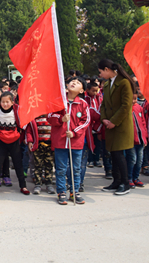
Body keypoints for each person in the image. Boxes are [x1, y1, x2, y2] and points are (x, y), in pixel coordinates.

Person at [48, 77, 91, 205]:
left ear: (82, 90)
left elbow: (86, 121)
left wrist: (74, 132)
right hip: (60, 142)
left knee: (75, 168)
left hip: (76, 142)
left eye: (78, 83)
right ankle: (61, 192)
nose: (74, 83)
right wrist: (61, 119)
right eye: (72, 81)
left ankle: (74, 191)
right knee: (60, 168)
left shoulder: (83, 104)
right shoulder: (59, 101)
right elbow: (50, 116)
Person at [98, 59, 135, 195]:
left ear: (107, 69)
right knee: (113, 154)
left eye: (101, 71)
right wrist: (104, 119)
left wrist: (113, 121)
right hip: (110, 125)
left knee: (119, 154)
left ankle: (125, 183)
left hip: (121, 125)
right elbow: (103, 105)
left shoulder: (124, 83)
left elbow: (126, 106)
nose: (100, 74)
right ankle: (116, 181)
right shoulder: (107, 85)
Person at [0, 91, 36, 196]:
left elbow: (25, 121)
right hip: (1, 138)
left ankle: (23, 186)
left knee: (17, 163)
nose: (5, 104)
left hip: (14, 139)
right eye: (3, 102)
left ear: (12, 102)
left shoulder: (17, 110)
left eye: (7, 102)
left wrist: (21, 133)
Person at [128, 94, 147, 188]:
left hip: (140, 139)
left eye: (135, 99)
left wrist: (145, 136)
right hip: (131, 139)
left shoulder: (139, 107)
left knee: (139, 160)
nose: (134, 101)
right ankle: (129, 178)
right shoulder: (126, 109)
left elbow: (143, 122)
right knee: (132, 160)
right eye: (132, 99)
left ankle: (136, 177)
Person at [33, 114, 55, 194]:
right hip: (38, 145)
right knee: (38, 166)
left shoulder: (52, 116)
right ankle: (38, 184)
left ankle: (49, 184)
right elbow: (30, 129)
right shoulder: (35, 115)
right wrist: (29, 140)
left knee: (49, 165)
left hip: (50, 145)